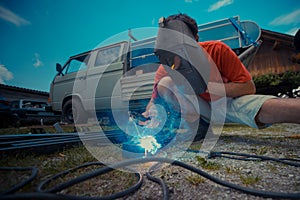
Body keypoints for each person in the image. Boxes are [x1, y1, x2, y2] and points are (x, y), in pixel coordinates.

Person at [142, 13, 300, 140]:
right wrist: (153, 114)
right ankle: (197, 126)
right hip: (199, 111)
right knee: (166, 83)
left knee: (266, 107)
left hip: (226, 104)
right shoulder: (166, 67)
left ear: (196, 40)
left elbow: (248, 87)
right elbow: (153, 101)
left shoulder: (217, 49)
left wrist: (207, 87)